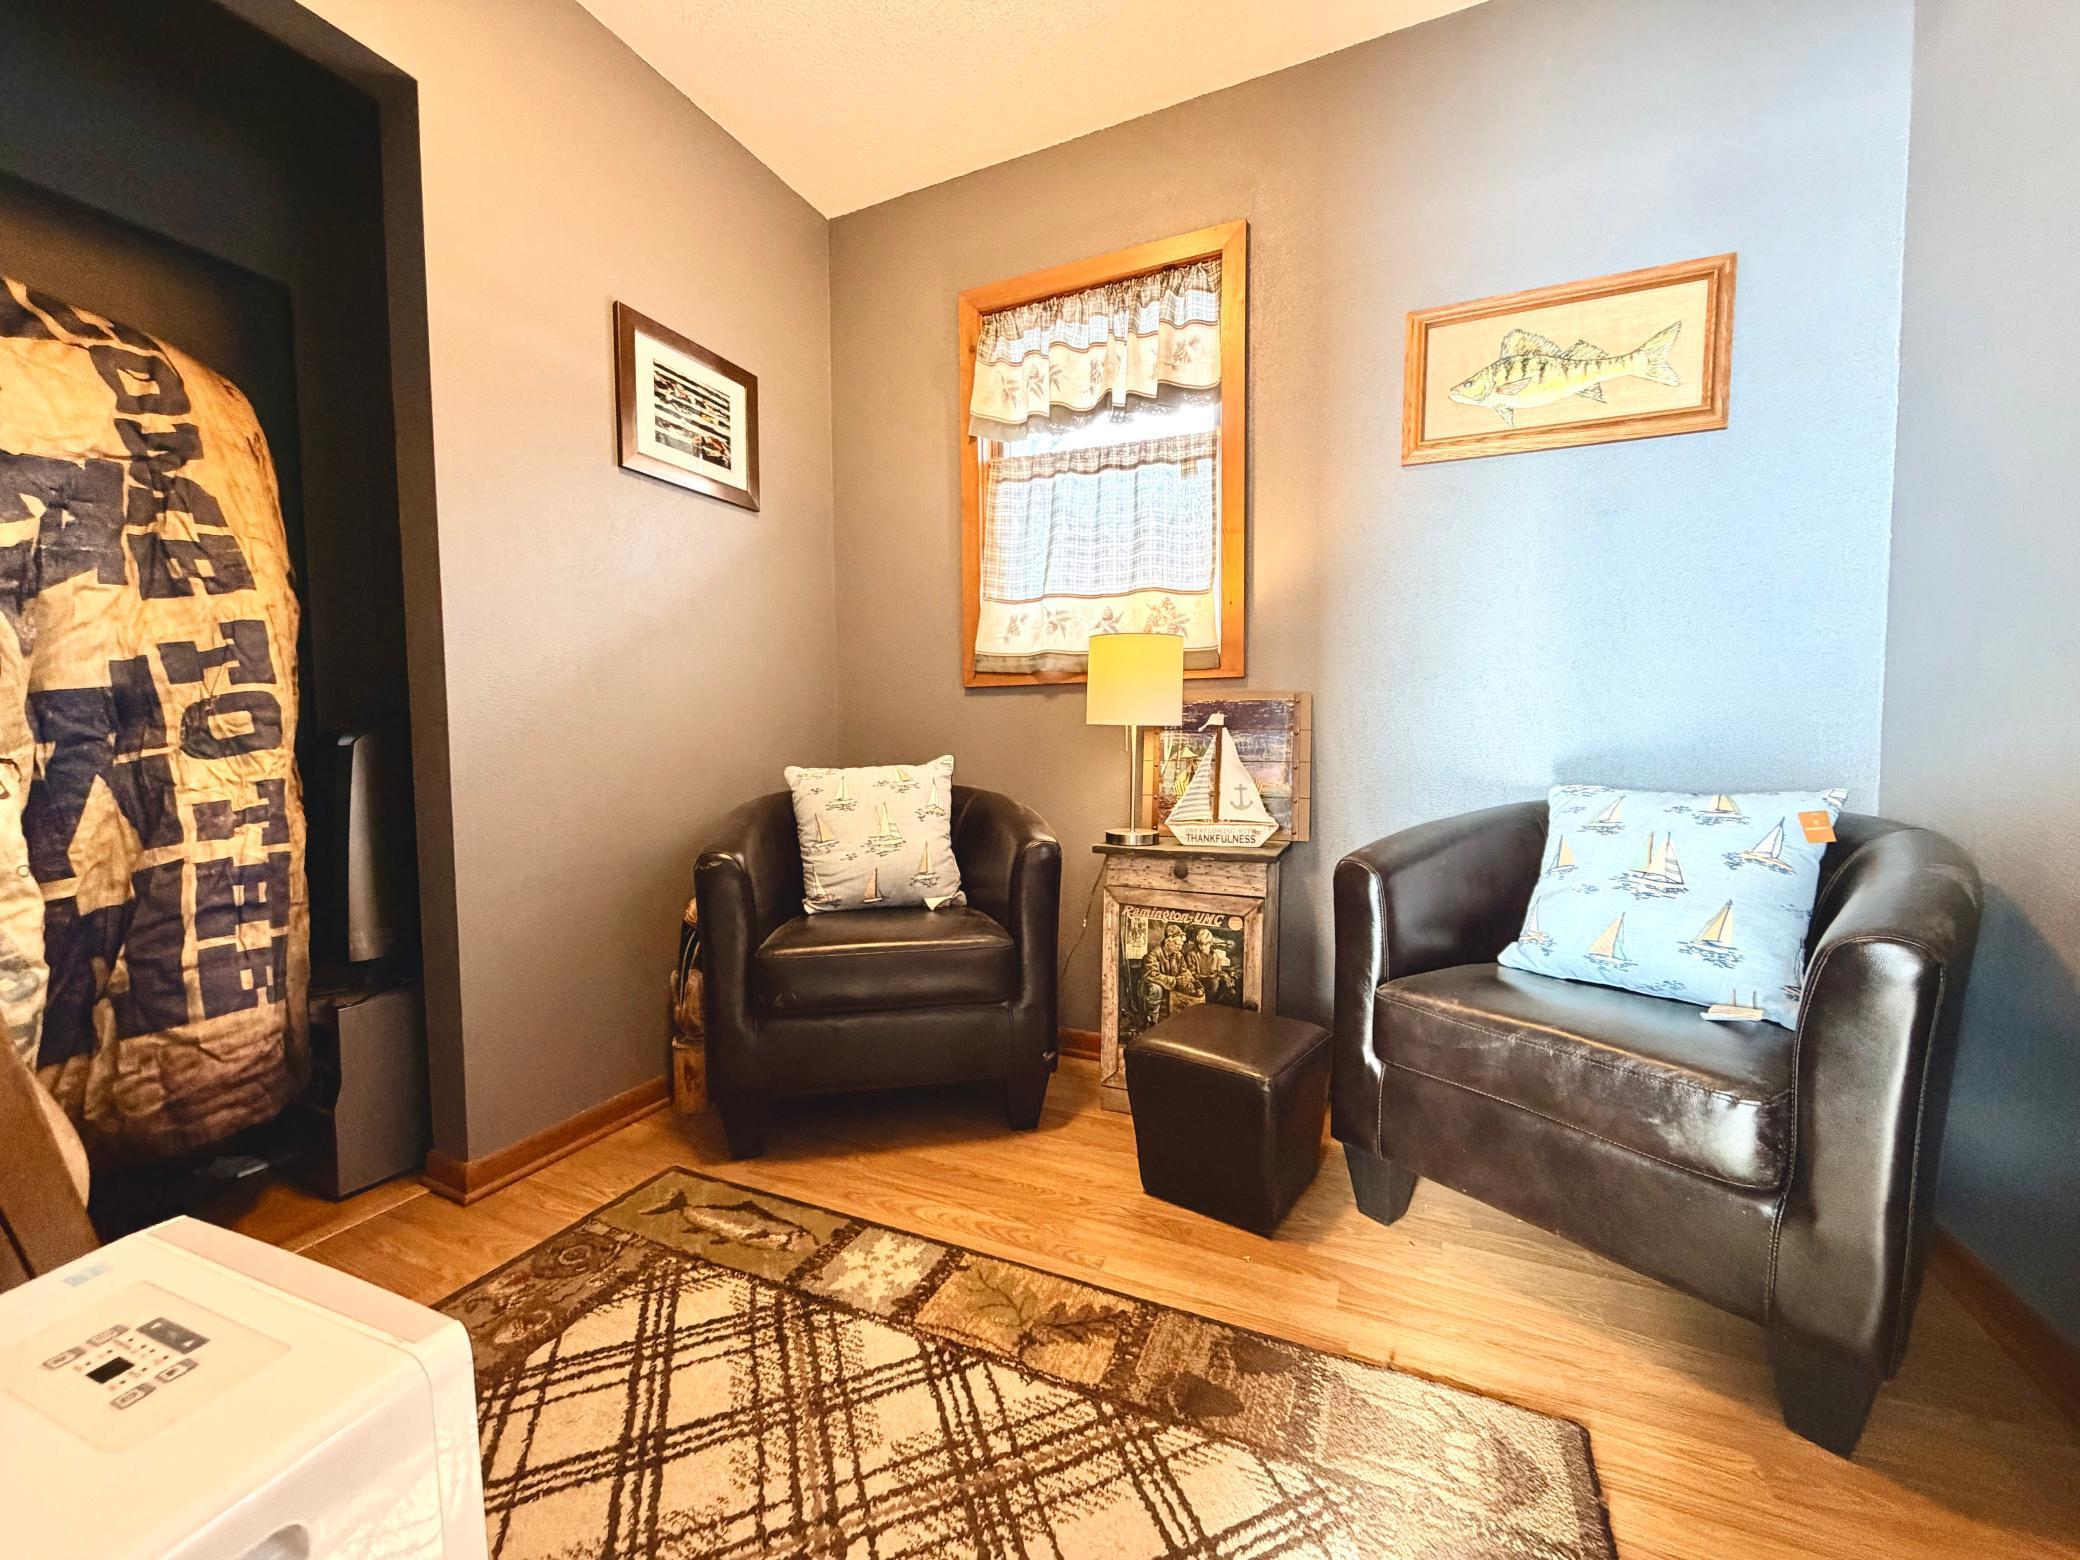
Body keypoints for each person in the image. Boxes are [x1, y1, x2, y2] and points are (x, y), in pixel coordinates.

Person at [1137, 922, 1203, 1023]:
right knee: (1156, 988)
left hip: (1171, 984)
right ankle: (1152, 1020)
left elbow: (1184, 970)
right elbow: (1152, 975)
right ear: (1168, 942)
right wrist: (1175, 981)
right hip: (1150, 987)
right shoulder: (1153, 955)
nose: (1180, 948)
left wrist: (1186, 979)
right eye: (1177, 944)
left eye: (1181, 945)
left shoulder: (1178, 955)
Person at [1186, 926, 1236, 1003]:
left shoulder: (1215, 955)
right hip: (1199, 982)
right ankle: (1209, 1005)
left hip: (1213, 980)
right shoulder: (1191, 954)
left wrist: (1226, 977)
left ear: (1210, 944)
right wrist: (1212, 977)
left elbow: (1218, 971)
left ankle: (1217, 1005)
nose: (1202, 947)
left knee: (1231, 990)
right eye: (1200, 944)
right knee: (1214, 982)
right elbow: (1193, 974)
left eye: (1205, 944)